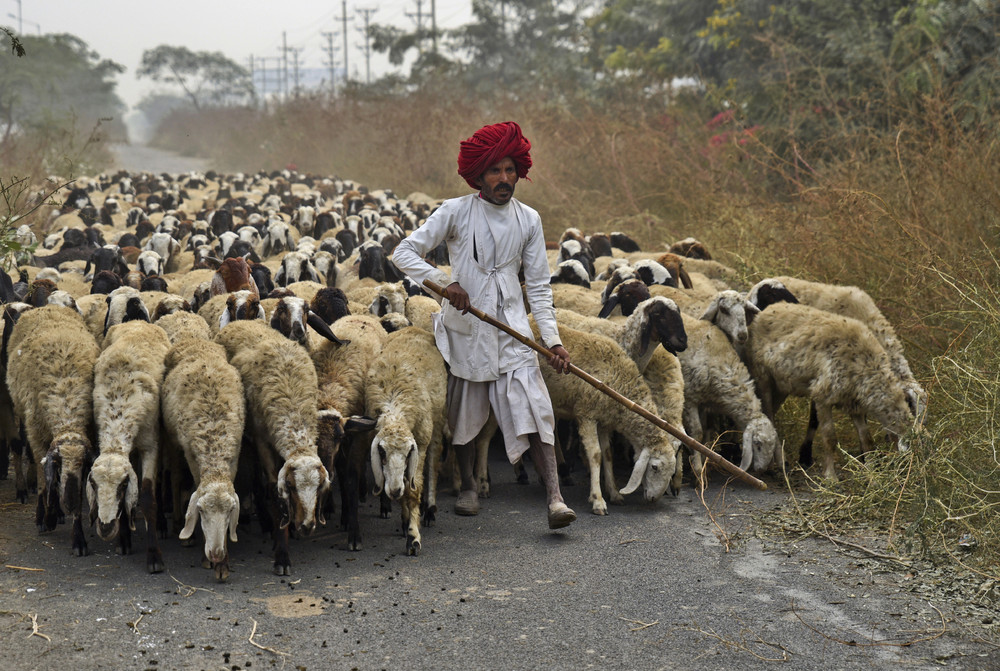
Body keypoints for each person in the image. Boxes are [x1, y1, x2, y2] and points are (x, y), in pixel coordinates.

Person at [391, 121, 577, 529]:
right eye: (495, 171)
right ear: (479, 175)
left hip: (512, 326)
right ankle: (469, 486)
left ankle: (555, 498)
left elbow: (540, 288)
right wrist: (445, 284)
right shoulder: (455, 211)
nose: (504, 179)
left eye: (510, 170)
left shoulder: (529, 219)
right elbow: (402, 252)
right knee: (464, 411)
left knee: (537, 407)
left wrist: (554, 341)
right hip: (468, 327)